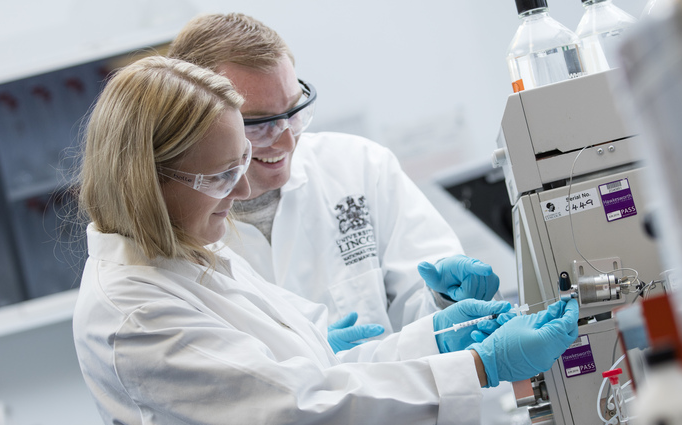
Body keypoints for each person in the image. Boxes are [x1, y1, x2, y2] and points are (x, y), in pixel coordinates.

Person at [72, 55, 580, 425]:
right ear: (145, 183)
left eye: (241, 163)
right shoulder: (136, 313)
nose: (243, 190)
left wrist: (437, 338)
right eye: (223, 175)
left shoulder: (191, 257)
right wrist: (479, 366)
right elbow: (297, 418)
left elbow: (321, 374)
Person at [167, 13, 500, 351]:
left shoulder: (360, 167)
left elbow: (424, 307)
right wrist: (306, 356)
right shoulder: (172, 225)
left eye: (293, 111)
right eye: (258, 123)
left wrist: (446, 297)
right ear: (193, 120)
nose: (287, 141)